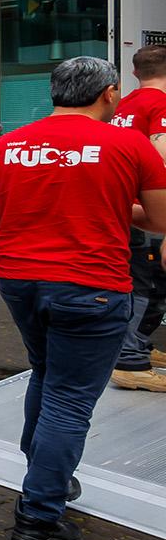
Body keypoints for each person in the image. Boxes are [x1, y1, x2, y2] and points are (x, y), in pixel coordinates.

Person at [0, 56, 166, 540]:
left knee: (45, 374)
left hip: (19, 279)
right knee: (70, 399)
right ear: (108, 93)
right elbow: (161, 219)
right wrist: (110, 203)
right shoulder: (130, 144)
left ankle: (45, 472)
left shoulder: (7, 143)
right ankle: (39, 517)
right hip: (92, 286)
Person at [108, 46, 166, 392]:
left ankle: (139, 345)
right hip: (149, 210)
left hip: (124, 208)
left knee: (139, 281)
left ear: (134, 74)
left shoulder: (123, 105)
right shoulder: (159, 104)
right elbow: (163, 157)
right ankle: (130, 359)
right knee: (150, 285)